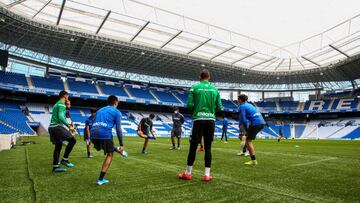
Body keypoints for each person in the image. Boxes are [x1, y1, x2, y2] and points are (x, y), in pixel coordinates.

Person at [178, 69, 222, 182]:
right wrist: (210, 110)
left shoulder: (194, 88)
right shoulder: (215, 89)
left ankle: (188, 173)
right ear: (209, 77)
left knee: (193, 147)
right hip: (211, 120)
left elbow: (189, 105)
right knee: (208, 148)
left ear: (199, 77)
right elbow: (220, 107)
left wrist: (198, 108)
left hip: (198, 119)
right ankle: (207, 175)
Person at [90, 95, 126, 185]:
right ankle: (100, 179)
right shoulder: (117, 112)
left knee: (106, 146)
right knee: (110, 154)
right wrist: (122, 144)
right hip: (104, 134)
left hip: (93, 134)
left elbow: (93, 123)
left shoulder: (100, 110)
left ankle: (116, 149)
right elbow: (118, 129)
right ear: (116, 102)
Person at [48, 90, 77, 172]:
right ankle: (64, 159)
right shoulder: (61, 104)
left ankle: (55, 166)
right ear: (65, 96)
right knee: (73, 140)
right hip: (57, 127)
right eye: (67, 96)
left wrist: (67, 106)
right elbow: (61, 117)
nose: (68, 98)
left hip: (51, 127)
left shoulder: (57, 104)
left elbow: (61, 114)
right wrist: (69, 126)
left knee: (58, 146)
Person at [237, 94, 266, 166]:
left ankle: (253, 160)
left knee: (248, 141)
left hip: (255, 123)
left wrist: (246, 129)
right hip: (262, 122)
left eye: (238, 99)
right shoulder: (250, 105)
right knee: (247, 140)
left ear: (240, 100)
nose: (237, 100)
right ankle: (250, 157)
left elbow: (243, 120)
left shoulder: (242, 106)